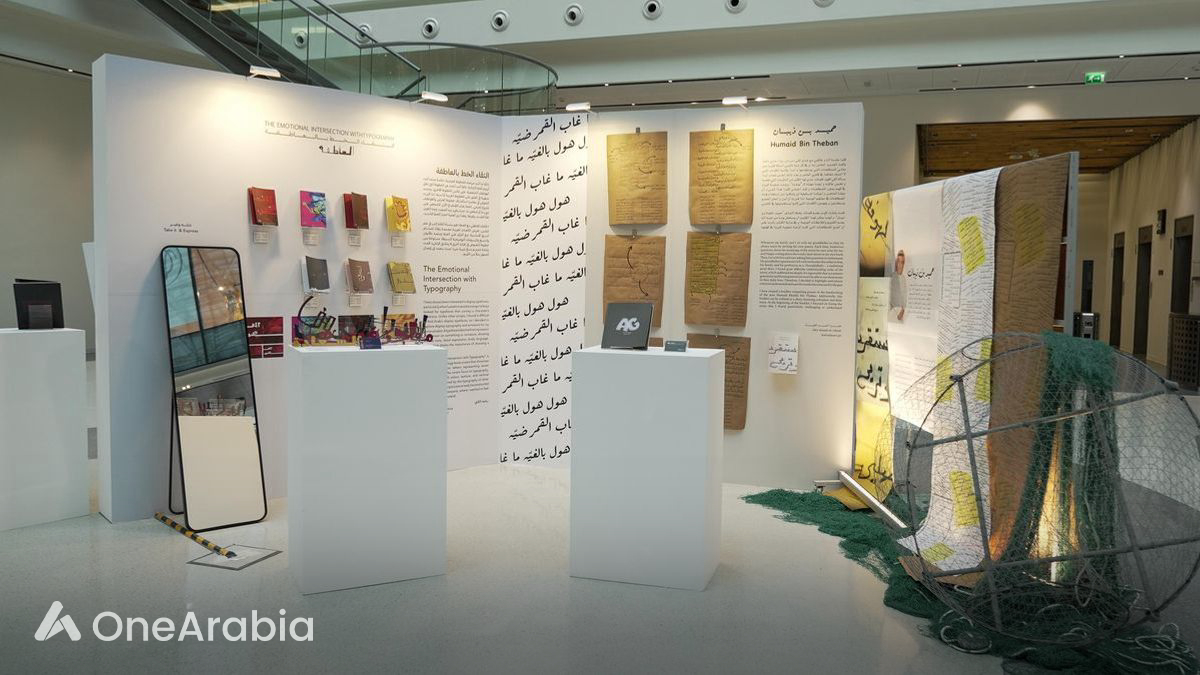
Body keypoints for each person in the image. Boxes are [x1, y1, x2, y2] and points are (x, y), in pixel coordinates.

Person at [890, 249, 907, 322]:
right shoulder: (891, 277)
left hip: (900, 315)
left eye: (902, 262)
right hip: (891, 313)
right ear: (896, 263)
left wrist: (902, 311)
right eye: (898, 262)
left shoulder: (903, 278)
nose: (900, 265)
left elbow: (905, 298)